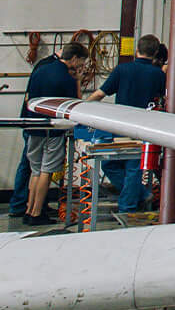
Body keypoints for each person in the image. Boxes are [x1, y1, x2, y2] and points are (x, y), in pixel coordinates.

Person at [21, 38, 91, 225]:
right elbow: (76, 103)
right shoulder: (66, 77)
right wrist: (77, 79)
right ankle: (37, 213)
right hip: (52, 129)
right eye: (82, 63)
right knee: (46, 170)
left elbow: (28, 97)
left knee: (35, 170)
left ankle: (29, 210)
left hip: (33, 125)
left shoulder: (40, 69)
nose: (82, 66)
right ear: (74, 59)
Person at [94, 36, 165, 213]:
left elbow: (99, 94)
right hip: (144, 127)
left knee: (110, 163)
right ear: (156, 53)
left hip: (119, 125)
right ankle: (138, 196)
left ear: (136, 50)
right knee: (132, 167)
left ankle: (128, 206)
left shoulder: (122, 70)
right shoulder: (158, 75)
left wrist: (78, 111)